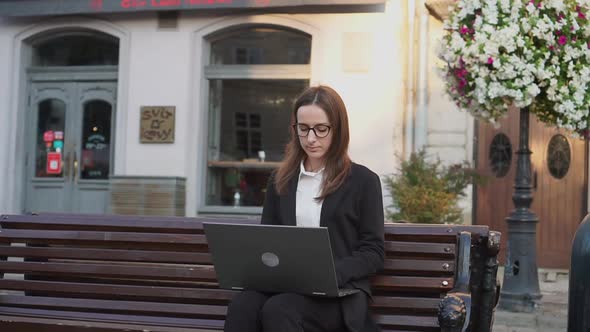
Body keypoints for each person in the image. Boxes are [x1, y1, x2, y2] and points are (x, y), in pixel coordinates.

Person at [223, 85, 385, 332]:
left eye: (321, 129)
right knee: (242, 306)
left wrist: (330, 273)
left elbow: (373, 251)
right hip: (286, 286)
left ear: (338, 129)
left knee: (280, 309)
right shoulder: (281, 180)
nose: (311, 138)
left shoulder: (363, 181)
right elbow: (268, 240)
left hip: (338, 296)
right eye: (303, 129)